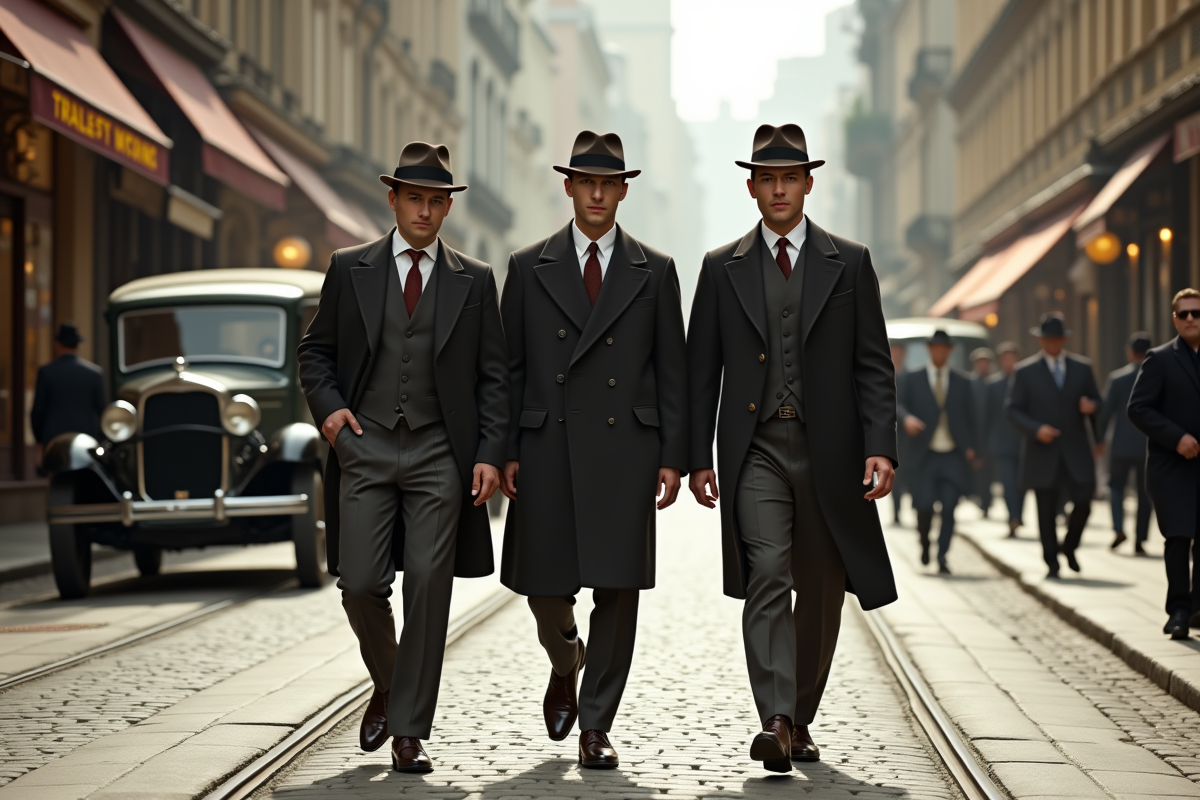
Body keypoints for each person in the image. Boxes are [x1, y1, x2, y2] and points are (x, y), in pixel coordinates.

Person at [687, 123, 897, 772]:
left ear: (808, 182)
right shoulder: (720, 268)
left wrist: (881, 447)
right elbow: (702, 370)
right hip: (757, 451)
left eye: (790, 177)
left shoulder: (851, 262)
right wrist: (697, 455)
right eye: (767, 178)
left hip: (831, 451)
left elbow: (873, 366)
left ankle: (800, 714)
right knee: (768, 575)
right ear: (751, 187)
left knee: (823, 590)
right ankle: (775, 720)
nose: (779, 189)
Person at [297, 142, 509, 773]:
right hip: (364, 446)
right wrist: (332, 414)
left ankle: (410, 728)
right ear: (392, 200)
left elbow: (493, 376)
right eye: (414, 197)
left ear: (447, 208)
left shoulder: (475, 279)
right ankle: (389, 682)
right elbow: (316, 353)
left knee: (429, 589)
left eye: (435, 200)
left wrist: (489, 453)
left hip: (440, 453)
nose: (424, 209)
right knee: (360, 582)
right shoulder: (350, 267)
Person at [499, 131, 688, 769]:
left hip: (626, 450)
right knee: (542, 586)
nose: (598, 194)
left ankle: (596, 725)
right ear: (570, 187)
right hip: (545, 442)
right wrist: (502, 449)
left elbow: (673, 373)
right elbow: (509, 368)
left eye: (609, 184)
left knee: (617, 590)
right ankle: (565, 661)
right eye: (587, 182)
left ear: (623, 190)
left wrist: (673, 456)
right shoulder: (527, 267)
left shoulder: (655, 271)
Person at [1127, 288, 1200, 639]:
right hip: (1170, 467)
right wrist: (1177, 438)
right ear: (1174, 319)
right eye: (1183, 314)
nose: (1190, 319)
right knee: (1178, 537)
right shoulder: (1159, 359)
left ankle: (1198, 606)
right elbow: (1138, 408)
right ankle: (1179, 611)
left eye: (1196, 313)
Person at [1005, 312, 1100, 578]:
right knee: (1045, 509)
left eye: (1057, 339)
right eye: (1048, 339)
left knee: (1084, 500)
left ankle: (1069, 546)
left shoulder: (1082, 367)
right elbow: (1012, 410)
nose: (1053, 344)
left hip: (1076, 450)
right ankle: (1052, 562)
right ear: (1040, 341)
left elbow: (1098, 401)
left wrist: (1091, 406)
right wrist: (1037, 430)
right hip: (1042, 451)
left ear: (1063, 340)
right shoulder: (1025, 371)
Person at [897, 330, 977, 574]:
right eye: (936, 347)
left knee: (950, 506)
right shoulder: (913, 378)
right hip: (924, 454)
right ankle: (924, 542)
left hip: (953, 454)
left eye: (944, 347)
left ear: (950, 350)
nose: (940, 351)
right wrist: (908, 419)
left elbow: (973, 415)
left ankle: (942, 555)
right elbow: (897, 404)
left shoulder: (962, 380)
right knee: (923, 506)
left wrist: (974, 448)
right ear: (930, 349)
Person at [1098, 333, 1153, 554]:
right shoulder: (1157, 377)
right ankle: (1140, 540)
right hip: (1148, 445)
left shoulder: (1117, 379)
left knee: (1116, 488)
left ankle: (1119, 528)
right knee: (1144, 493)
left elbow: (1105, 413)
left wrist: (1099, 439)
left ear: (1130, 352)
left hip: (1120, 445)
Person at [30, 323, 106, 456]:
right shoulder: (94, 374)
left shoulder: (47, 372)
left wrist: (39, 440)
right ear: (77, 344)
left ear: (57, 344)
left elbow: (37, 412)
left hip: (54, 440)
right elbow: (103, 411)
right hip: (86, 439)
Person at [983, 342, 1025, 537]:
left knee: (1022, 484)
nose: (1009, 362)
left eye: (1012, 357)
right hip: (1002, 443)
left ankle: (1018, 515)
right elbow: (987, 415)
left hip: (1024, 442)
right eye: (1005, 358)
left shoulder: (1027, 380)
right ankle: (1013, 517)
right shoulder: (993, 385)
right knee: (1008, 483)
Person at [968, 347, 995, 516]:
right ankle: (979, 498)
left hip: (991, 433)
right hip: (974, 431)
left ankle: (987, 500)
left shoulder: (994, 383)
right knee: (976, 469)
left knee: (989, 471)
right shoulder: (969, 383)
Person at [890, 342, 909, 525]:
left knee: (907, 473)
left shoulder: (910, 377)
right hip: (890, 433)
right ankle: (896, 512)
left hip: (908, 437)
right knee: (895, 474)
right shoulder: (885, 374)